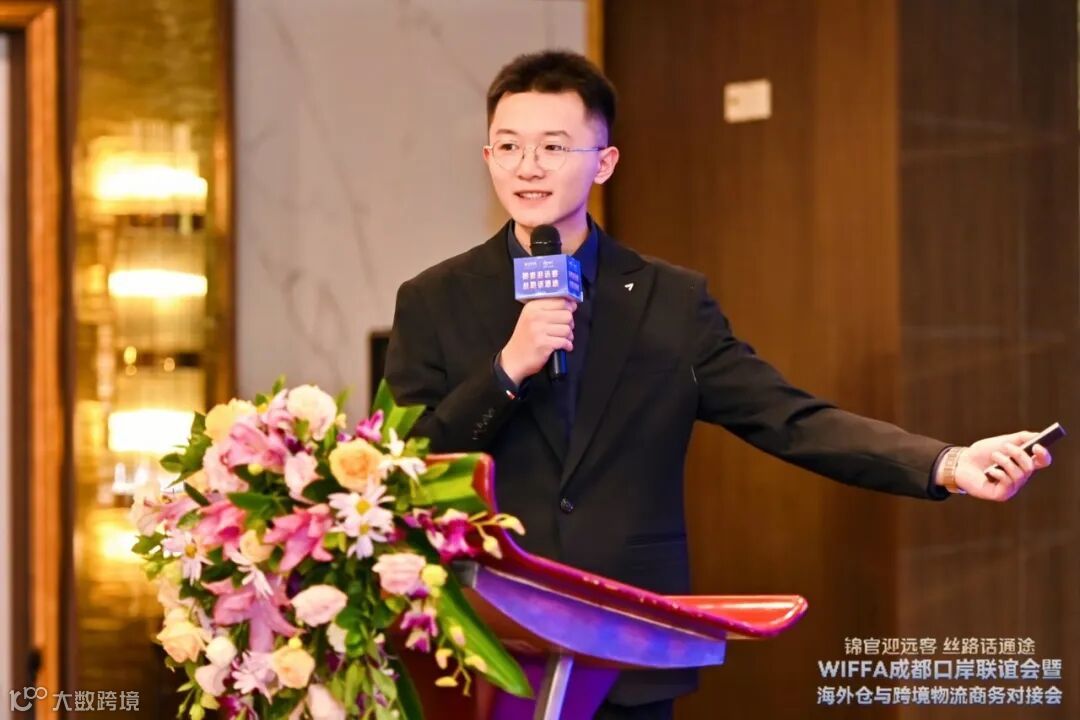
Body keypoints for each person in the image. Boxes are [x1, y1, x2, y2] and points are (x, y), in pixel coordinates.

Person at [384, 50, 1054, 720]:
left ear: (604, 162)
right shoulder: (434, 301)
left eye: (553, 147)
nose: (527, 166)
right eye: (509, 146)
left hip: (634, 650)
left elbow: (789, 417)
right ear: (489, 156)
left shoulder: (669, 302)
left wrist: (949, 463)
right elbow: (406, 466)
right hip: (484, 648)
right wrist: (507, 370)